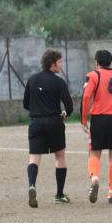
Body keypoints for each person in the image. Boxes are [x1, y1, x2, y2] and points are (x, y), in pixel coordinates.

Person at [23, 49, 74, 208]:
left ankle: (32, 185)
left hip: (35, 122)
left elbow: (25, 104)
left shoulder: (32, 79)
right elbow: (69, 106)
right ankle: (59, 195)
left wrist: (37, 110)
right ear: (52, 64)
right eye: (60, 62)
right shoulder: (59, 82)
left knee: (34, 159)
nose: (61, 65)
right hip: (54, 122)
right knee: (60, 157)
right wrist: (65, 113)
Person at [81, 50, 112, 204]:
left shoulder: (93, 75)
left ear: (97, 62)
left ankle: (95, 178)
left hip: (99, 118)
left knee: (94, 152)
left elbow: (86, 96)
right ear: (110, 61)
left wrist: (83, 119)